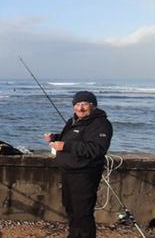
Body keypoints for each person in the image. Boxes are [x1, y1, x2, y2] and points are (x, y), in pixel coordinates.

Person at [44, 91, 113, 238]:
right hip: (68, 171)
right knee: (70, 207)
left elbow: (97, 149)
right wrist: (55, 137)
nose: (80, 108)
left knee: (83, 212)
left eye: (84, 104)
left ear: (93, 106)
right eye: (77, 104)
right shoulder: (73, 120)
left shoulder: (101, 124)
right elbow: (72, 138)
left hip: (85, 173)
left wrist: (65, 146)